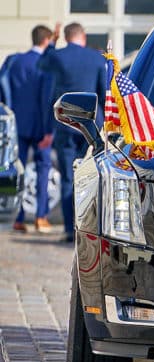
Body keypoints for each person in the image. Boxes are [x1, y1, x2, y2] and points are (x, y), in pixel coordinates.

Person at [38, 22, 107, 242]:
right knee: (95, 177)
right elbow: (103, 95)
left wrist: (52, 43)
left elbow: (41, 64)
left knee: (69, 177)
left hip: (65, 124)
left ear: (66, 37)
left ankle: (70, 230)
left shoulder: (58, 56)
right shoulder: (97, 58)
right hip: (93, 127)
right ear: (83, 36)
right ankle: (92, 229)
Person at [2, 25, 58, 233]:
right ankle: (41, 217)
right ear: (47, 40)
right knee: (43, 170)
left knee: (16, 170)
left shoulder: (15, 61)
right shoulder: (46, 64)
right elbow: (47, 98)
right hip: (41, 126)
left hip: (18, 125)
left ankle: (17, 217)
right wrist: (48, 130)